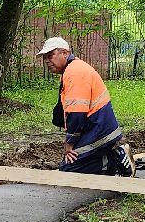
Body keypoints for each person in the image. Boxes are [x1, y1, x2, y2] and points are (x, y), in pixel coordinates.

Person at [38, 36, 136, 177]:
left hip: (99, 131)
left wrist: (70, 142)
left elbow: (76, 113)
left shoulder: (74, 73)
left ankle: (116, 160)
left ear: (65, 53)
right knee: (71, 165)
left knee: (69, 171)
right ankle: (108, 158)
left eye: (50, 55)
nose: (47, 60)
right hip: (97, 128)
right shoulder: (73, 69)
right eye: (44, 57)